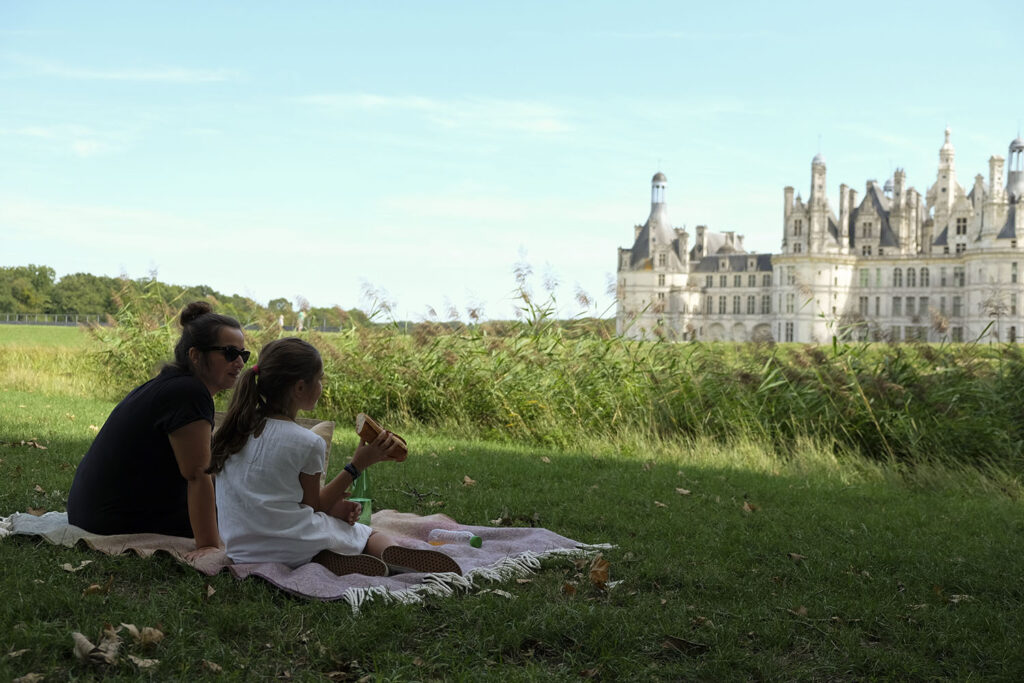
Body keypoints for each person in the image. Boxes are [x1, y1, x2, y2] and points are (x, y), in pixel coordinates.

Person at [208, 337, 460, 576]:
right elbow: (314, 505)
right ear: (299, 387)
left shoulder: (232, 432)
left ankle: (322, 558)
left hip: (242, 550)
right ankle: (387, 552)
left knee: (324, 528)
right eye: (319, 379)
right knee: (366, 532)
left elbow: (272, 498)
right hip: (290, 543)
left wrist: (335, 508)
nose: (321, 386)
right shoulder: (307, 442)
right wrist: (357, 465)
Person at [67, 301, 247, 560]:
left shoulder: (171, 385)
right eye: (230, 353)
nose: (239, 362)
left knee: (231, 491)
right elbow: (197, 473)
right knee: (243, 509)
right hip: (111, 520)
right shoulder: (189, 394)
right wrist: (209, 547)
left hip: (90, 512)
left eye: (244, 354)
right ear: (196, 355)